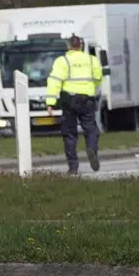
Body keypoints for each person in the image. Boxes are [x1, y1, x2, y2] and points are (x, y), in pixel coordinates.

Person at [44, 33, 104, 174]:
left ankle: (73, 167)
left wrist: (50, 102)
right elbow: (98, 77)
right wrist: (89, 88)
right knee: (91, 130)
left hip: (69, 100)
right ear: (81, 46)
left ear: (68, 46)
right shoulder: (91, 59)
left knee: (69, 133)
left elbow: (54, 81)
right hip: (87, 99)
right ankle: (92, 149)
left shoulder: (63, 60)